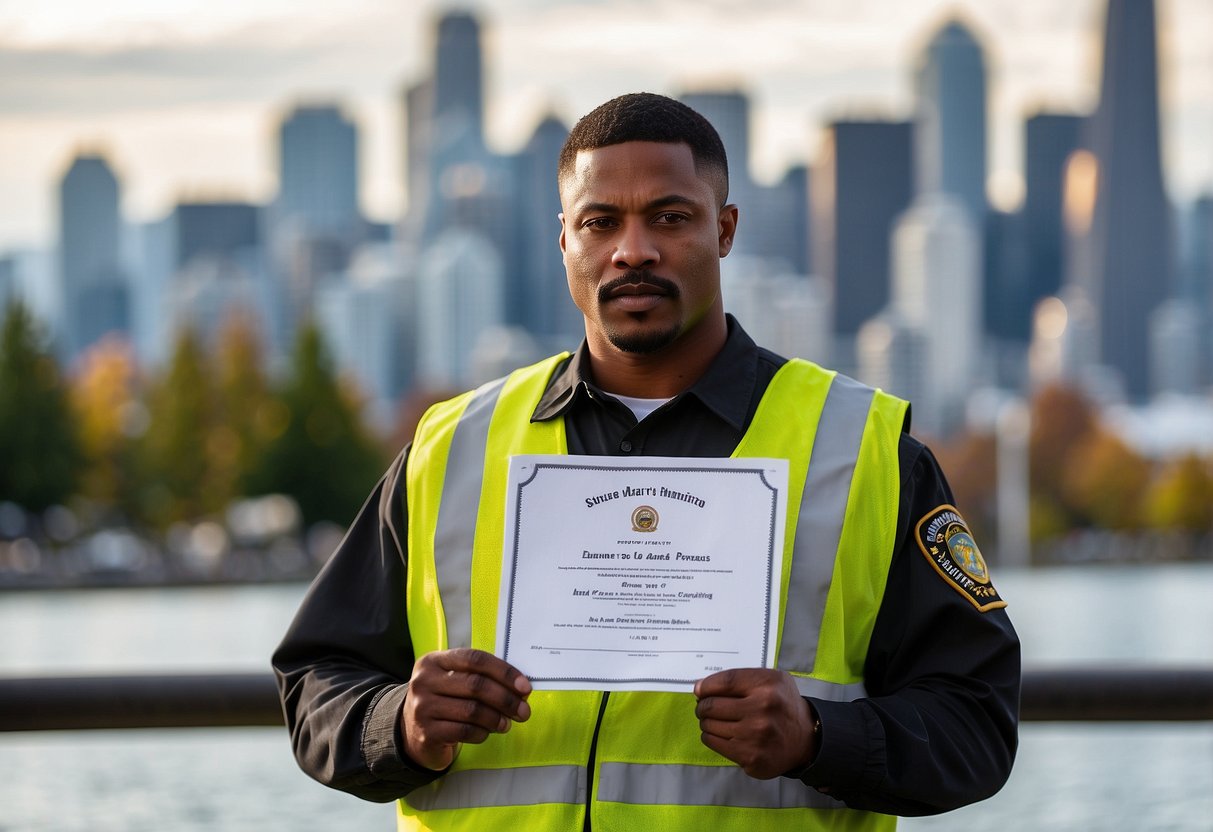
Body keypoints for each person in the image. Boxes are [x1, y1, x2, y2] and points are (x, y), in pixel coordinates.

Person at [274, 92, 1020, 830]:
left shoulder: (863, 452)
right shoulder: (449, 449)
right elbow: (316, 681)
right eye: (601, 222)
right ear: (564, 239)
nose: (634, 249)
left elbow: (976, 726)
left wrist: (816, 738)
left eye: (670, 216)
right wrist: (400, 724)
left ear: (724, 230)